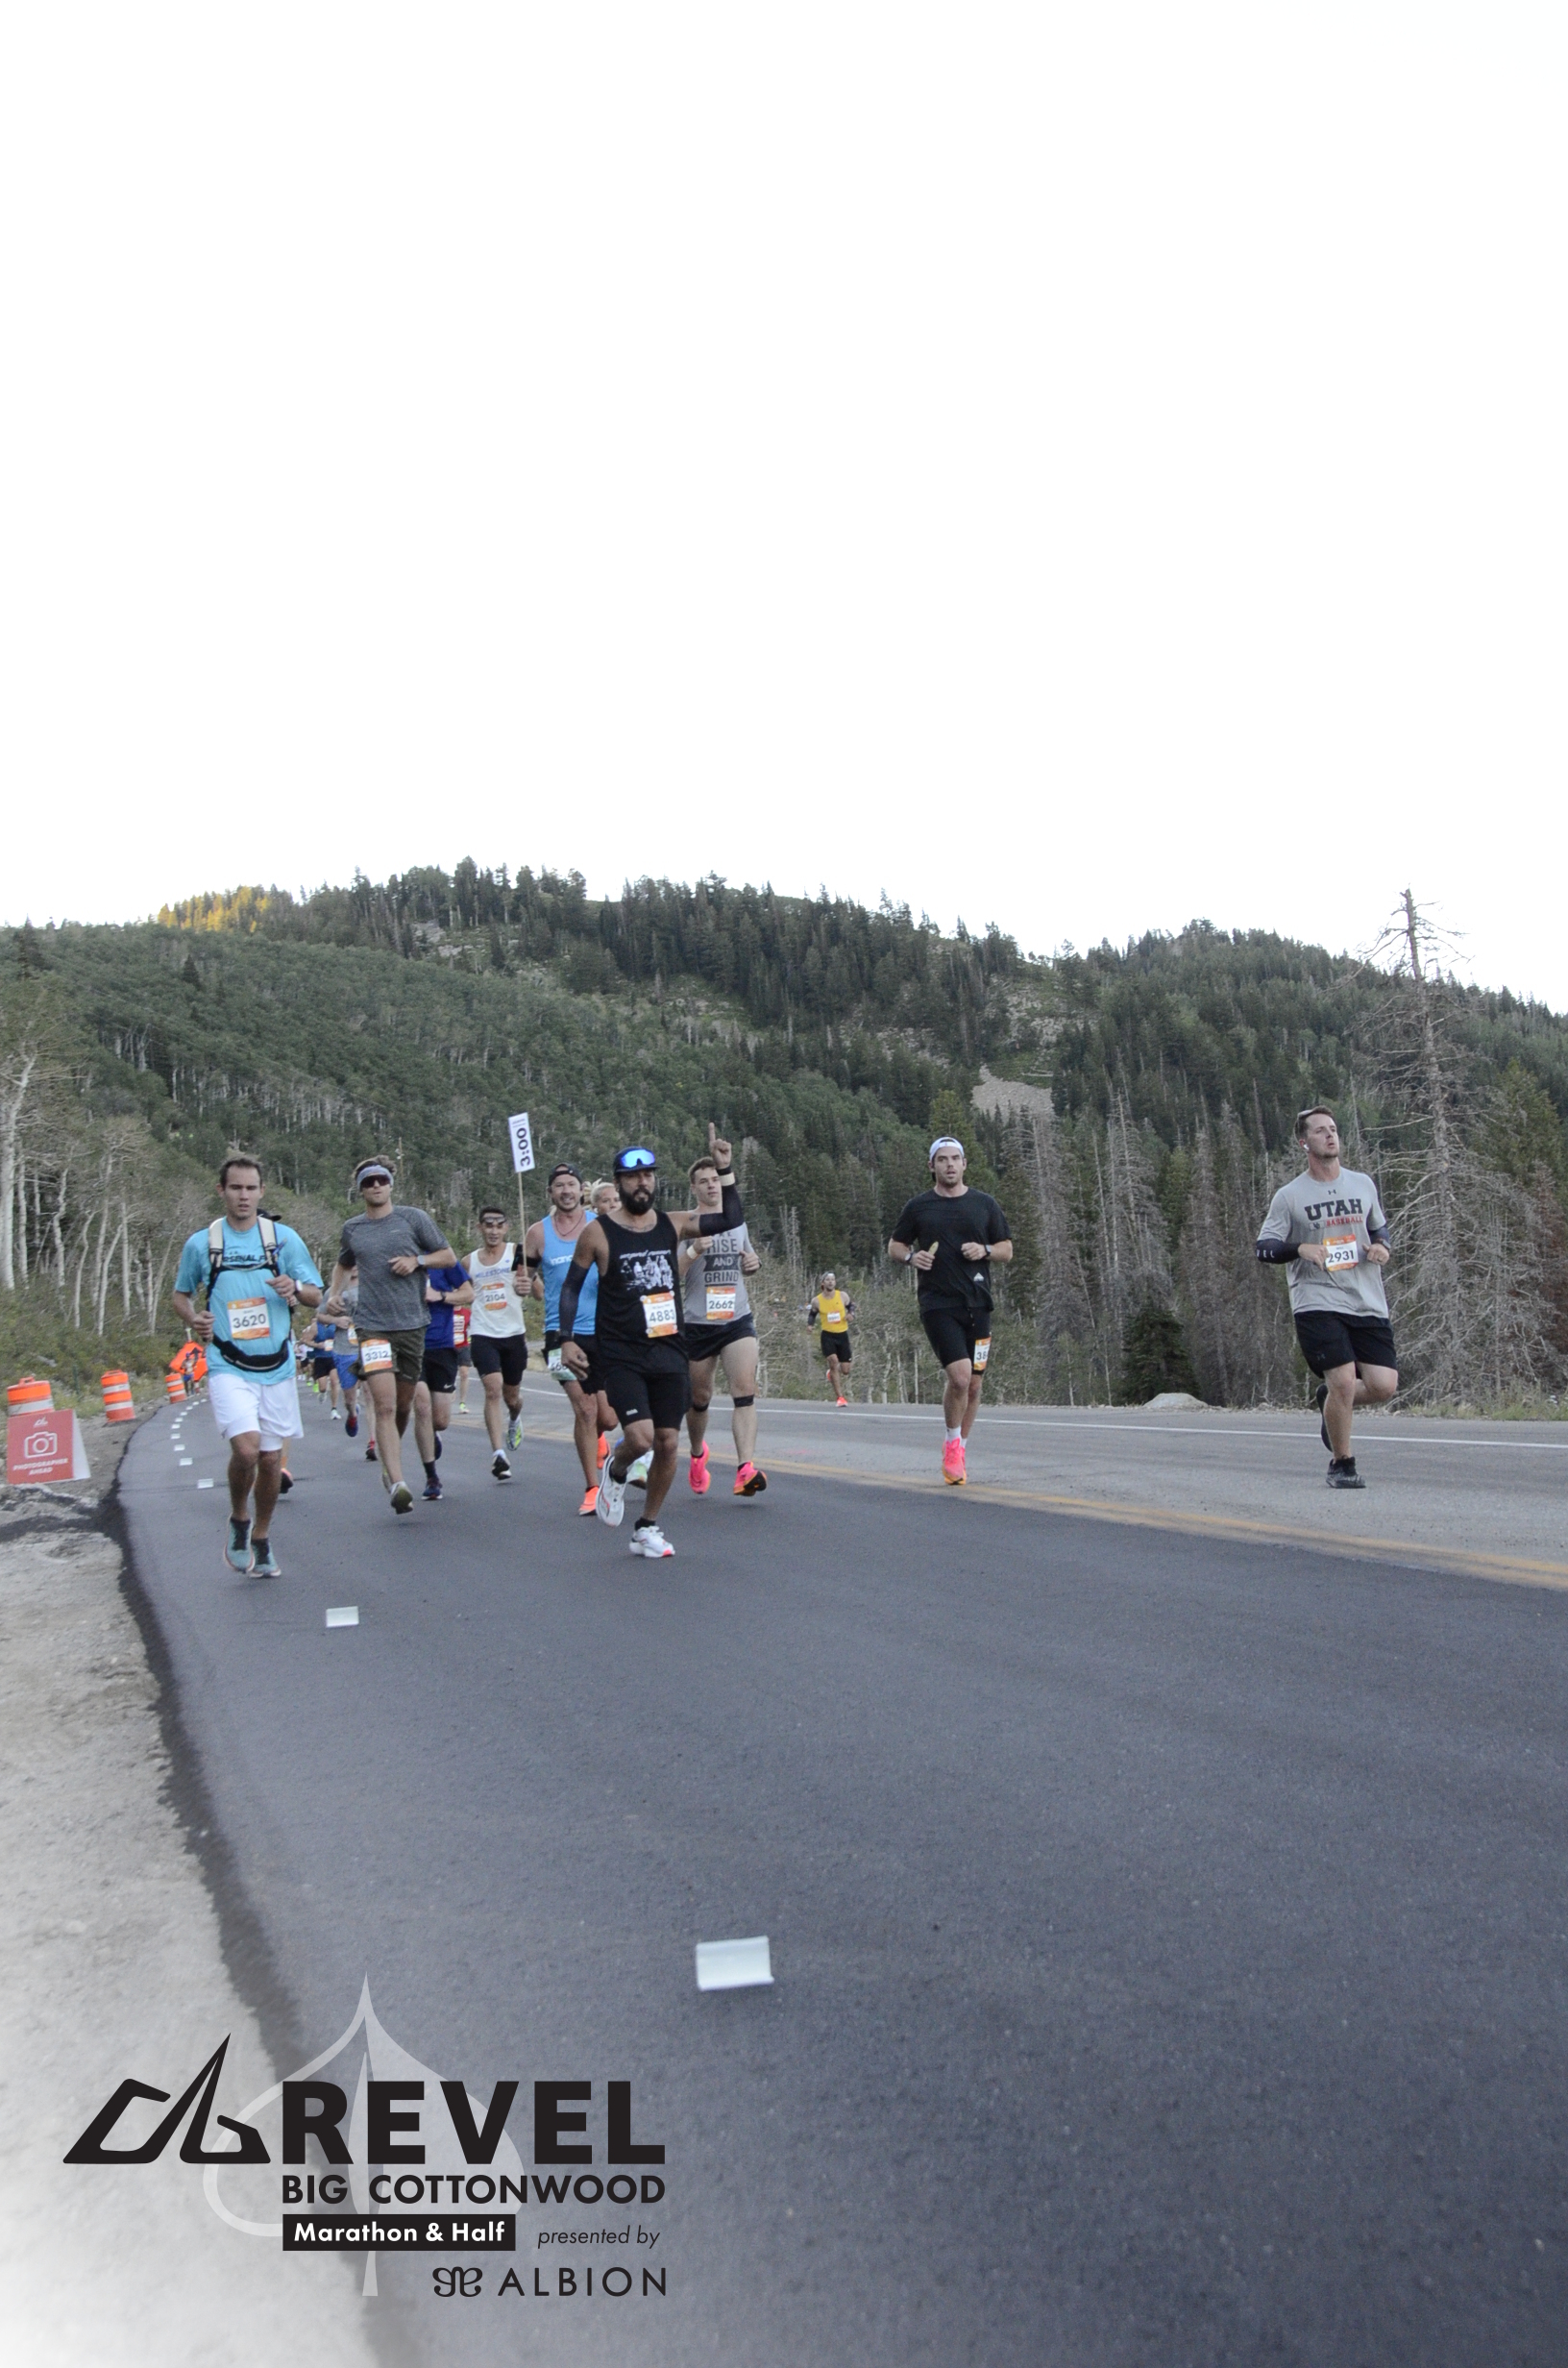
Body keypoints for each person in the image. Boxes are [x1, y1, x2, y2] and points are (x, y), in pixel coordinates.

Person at [557, 1127, 746, 1559]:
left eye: (648, 1176)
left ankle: (646, 1527)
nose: (642, 1183)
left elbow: (729, 1219)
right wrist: (565, 1339)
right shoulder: (598, 1233)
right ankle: (617, 1465)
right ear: (619, 1182)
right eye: (632, 1177)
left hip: (669, 1349)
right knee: (640, 1439)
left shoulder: (672, 1224)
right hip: (621, 1353)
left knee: (667, 1442)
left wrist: (725, 1169)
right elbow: (571, 1288)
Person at [172, 1155, 323, 1577]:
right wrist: (194, 1319)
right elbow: (181, 1295)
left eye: (251, 1188)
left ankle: (261, 1535)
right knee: (246, 1449)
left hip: (276, 1365)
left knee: (271, 1461)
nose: (244, 1196)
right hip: (227, 1363)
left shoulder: (283, 1240)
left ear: (261, 1192)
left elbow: (316, 1295)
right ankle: (239, 1516)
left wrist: (295, 1286)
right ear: (221, 1191)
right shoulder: (203, 1243)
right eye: (236, 1188)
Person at [1255, 1106, 1397, 1490]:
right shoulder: (1290, 1196)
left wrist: (1382, 1248)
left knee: (1383, 1386)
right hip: (1316, 1300)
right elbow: (1264, 1247)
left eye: (1333, 1129)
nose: (1330, 1135)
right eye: (1320, 1131)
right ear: (1304, 1143)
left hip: (1365, 1296)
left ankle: (1329, 1400)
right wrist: (1300, 1248)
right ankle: (1342, 1464)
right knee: (1344, 1381)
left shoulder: (1362, 1184)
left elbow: (1380, 1229)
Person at [322, 1159, 457, 1516]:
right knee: (382, 1404)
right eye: (369, 1182)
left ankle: (389, 1460)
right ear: (360, 1189)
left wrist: (418, 1262)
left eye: (381, 1180)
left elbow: (448, 1256)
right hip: (372, 1327)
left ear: (391, 1185)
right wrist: (334, 1293)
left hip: (412, 1325)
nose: (376, 1186)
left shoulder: (413, 1219)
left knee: (402, 1406)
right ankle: (398, 1483)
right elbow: (343, 1263)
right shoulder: (353, 1228)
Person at [889, 1136, 1014, 1486]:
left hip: (978, 1303)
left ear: (964, 1164)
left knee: (973, 1385)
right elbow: (895, 1245)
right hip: (938, 1303)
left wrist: (984, 1250)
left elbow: (1006, 1250)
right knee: (959, 1377)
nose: (949, 1165)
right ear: (932, 1166)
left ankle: (959, 1448)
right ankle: (951, 1442)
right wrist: (912, 1257)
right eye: (942, 1159)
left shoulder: (984, 1204)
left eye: (955, 1159)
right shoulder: (919, 1207)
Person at [680, 1151, 767, 1496]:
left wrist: (753, 1264)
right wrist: (693, 1251)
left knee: (744, 1390)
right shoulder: (686, 1224)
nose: (711, 1186)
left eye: (715, 1179)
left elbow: (749, 1259)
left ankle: (745, 1469)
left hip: (736, 1318)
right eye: (704, 1181)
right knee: (699, 1398)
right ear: (694, 1188)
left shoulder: (736, 1221)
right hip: (698, 1323)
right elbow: (672, 1273)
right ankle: (697, 1453)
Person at [528, 1163, 608, 1516]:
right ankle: (592, 1488)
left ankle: (601, 1440)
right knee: (586, 1409)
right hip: (559, 1335)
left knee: (608, 1418)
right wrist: (524, 1282)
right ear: (551, 1192)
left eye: (571, 1184)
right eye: (559, 1185)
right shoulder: (537, 1232)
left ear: (581, 1190)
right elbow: (523, 1273)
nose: (565, 1191)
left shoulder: (599, 1225)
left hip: (602, 1331)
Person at [464, 1204, 531, 1480]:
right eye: (488, 1225)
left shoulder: (517, 1254)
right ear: (479, 1227)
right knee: (492, 1389)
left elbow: (537, 1290)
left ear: (506, 1227)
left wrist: (526, 1286)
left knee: (511, 1397)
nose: (493, 1231)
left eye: (498, 1225)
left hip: (513, 1334)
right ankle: (498, 1454)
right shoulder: (469, 1262)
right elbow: (459, 1291)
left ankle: (514, 1417)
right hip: (483, 1333)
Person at [411, 1257, 474, 1500]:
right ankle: (432, 1477)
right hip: (411, 1346)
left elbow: (468, 1293)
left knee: (440, 1420)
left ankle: (434, 1433)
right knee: (422, 1406)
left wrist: (440, 1296)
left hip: (442, 1346)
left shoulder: (444, 1260)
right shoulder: (401, 1260)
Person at [806, 1272, 856, 1406]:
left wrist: (851, 1314)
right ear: (823, 1283)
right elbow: (812, 1314)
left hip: (842, 1335)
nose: (830, 1282)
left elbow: (851, 1306)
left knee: (845, 1370)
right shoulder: (817, 1300)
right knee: (833, 1362)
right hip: (827, 1335)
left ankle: (831, 1374)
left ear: (835, 1282)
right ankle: (840, 1398)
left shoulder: (842, 1296)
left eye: (833, 1280)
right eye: (827, 1280)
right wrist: (810, 1325)